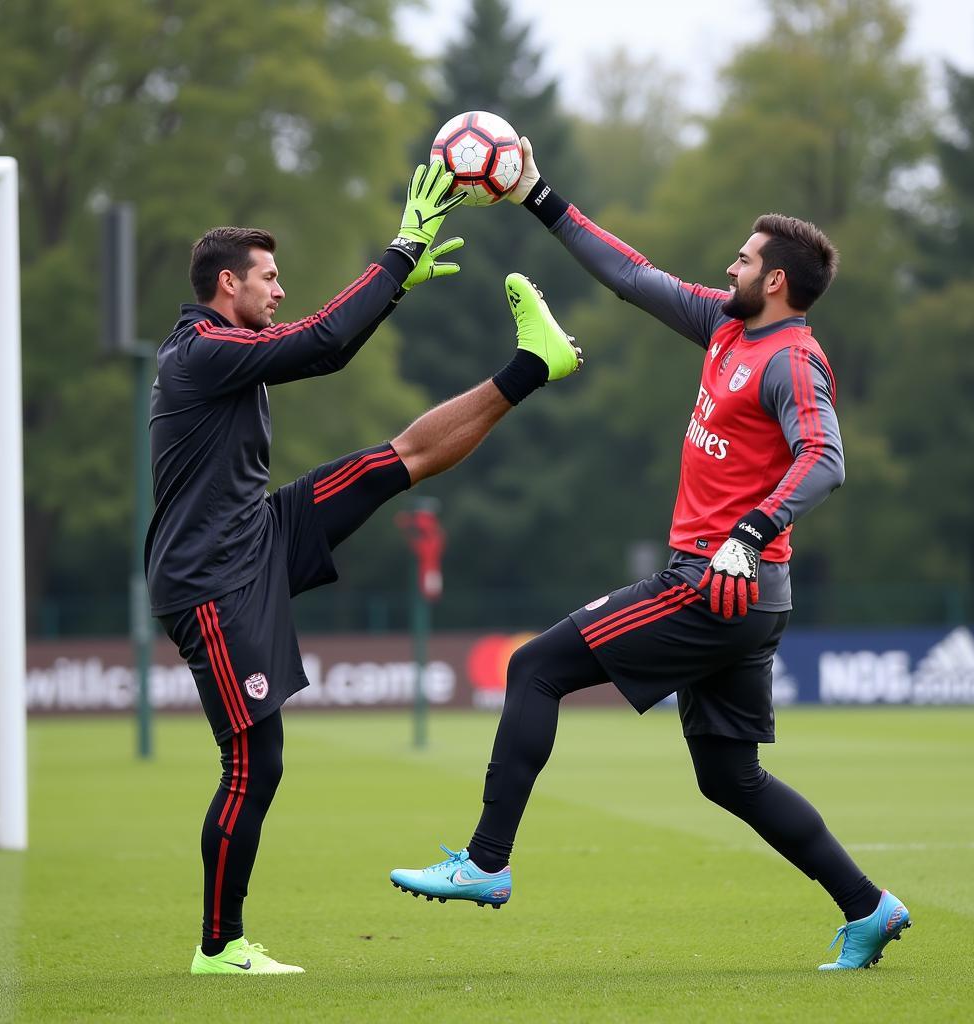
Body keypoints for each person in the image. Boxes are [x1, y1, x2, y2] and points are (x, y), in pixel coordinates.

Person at [390, 142, 911, 972]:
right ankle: (869, 907)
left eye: (743, 259)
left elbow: (826, 459)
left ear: (776, 281)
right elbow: (632, 276)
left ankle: (485, 863)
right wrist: (537, 195)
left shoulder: (793, 359)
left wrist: (748, 533)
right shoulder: (726, 326)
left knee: (534, 669)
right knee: (730, 778)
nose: (729, 265)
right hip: (743, 595)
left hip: (715, 583)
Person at [145, 160, 582, 975]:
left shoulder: (222, 343)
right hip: (212, 578)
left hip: (256, 534)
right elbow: (323, 344)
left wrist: (400, 272)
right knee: (255, 763)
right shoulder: (200, 348)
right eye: (268, 279)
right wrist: (401, 253)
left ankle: (534, 364)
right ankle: (219, 948)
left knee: (395, 463)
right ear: (227, 282)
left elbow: (318, 338)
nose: (278, 290)